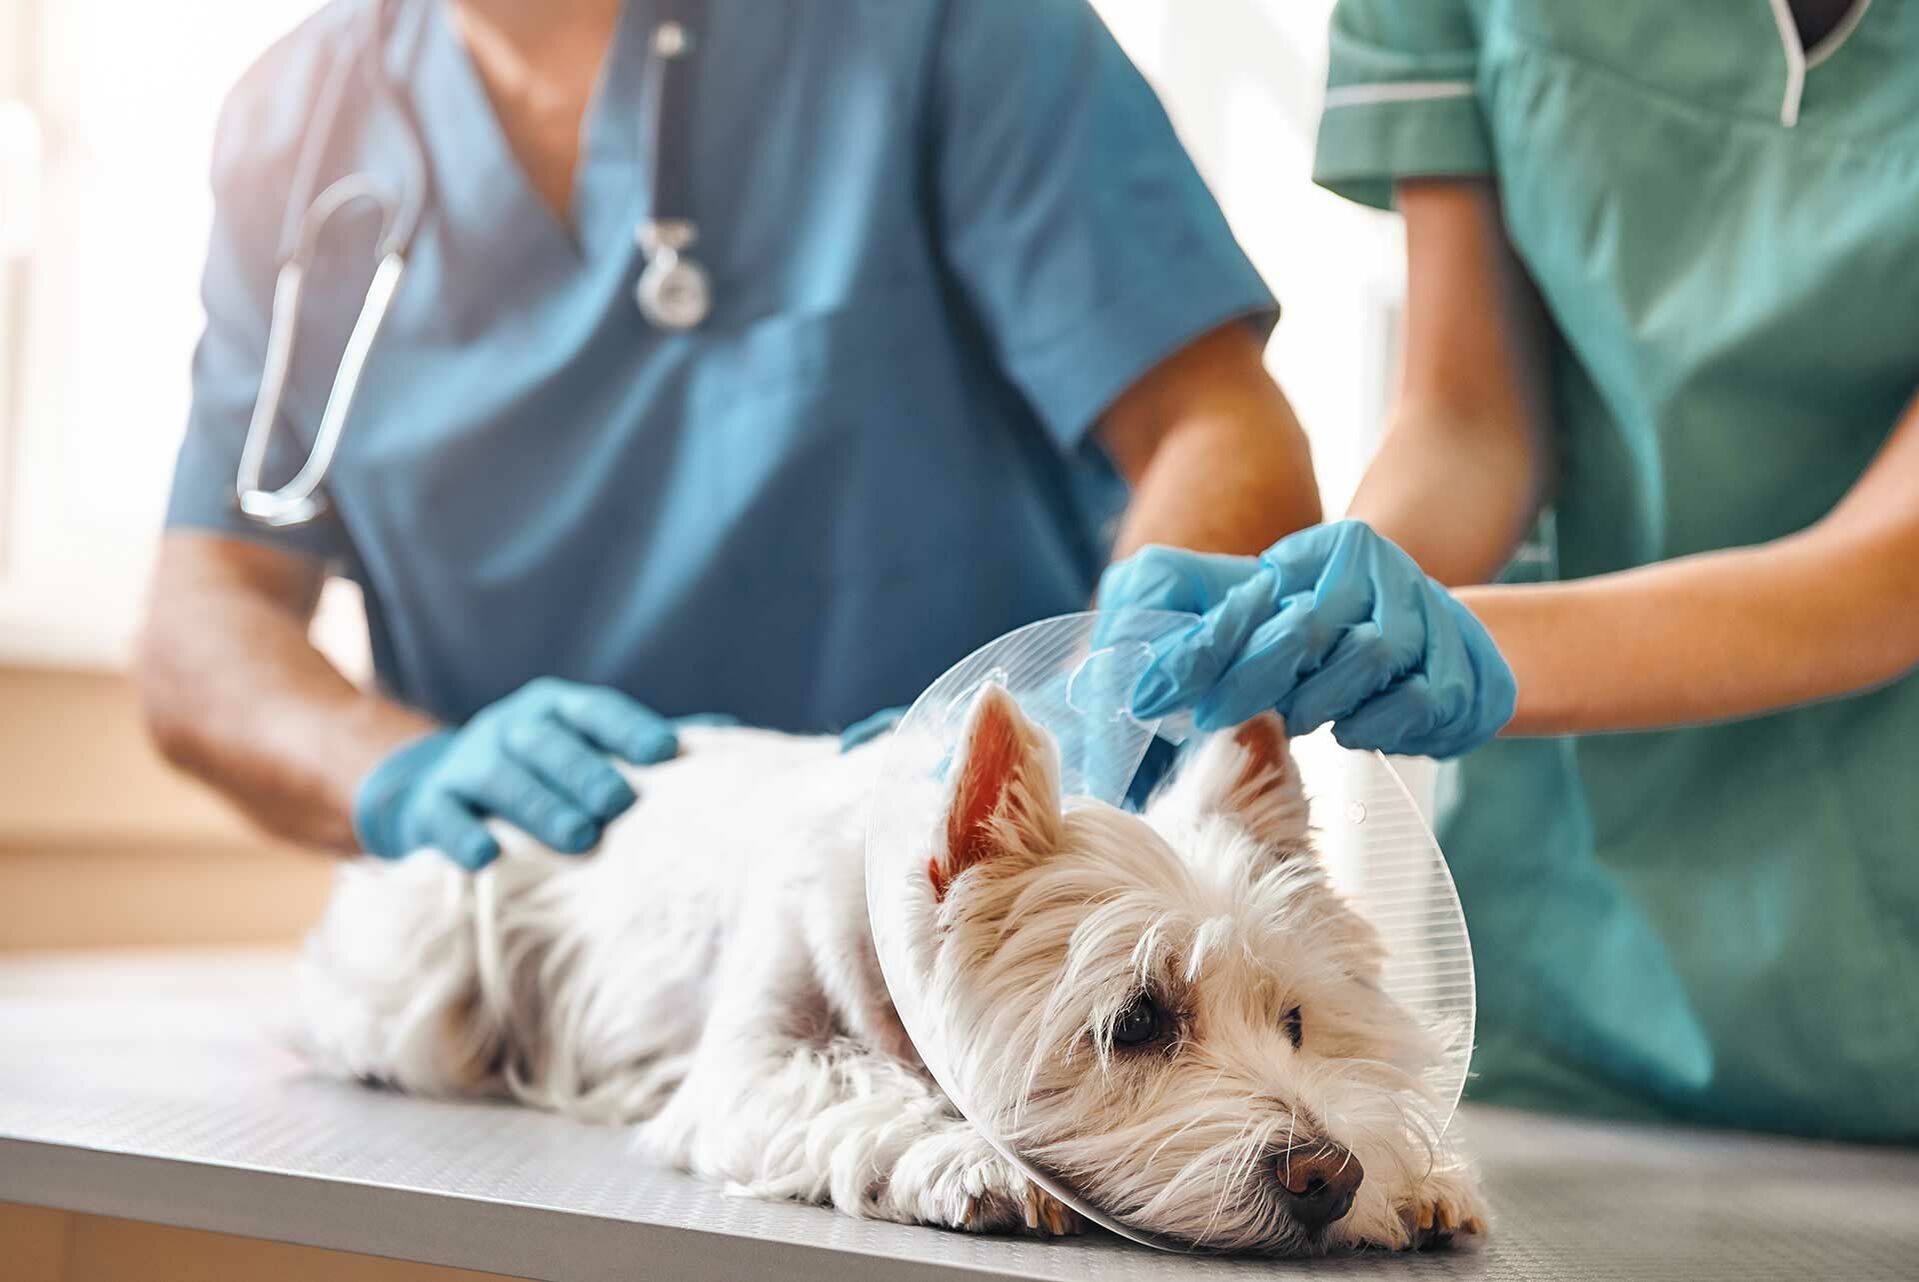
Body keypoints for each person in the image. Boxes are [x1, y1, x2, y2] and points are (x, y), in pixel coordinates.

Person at [141, 0, 1323, 873]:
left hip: (960, 907)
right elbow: (208, 614)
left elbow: (1214, 427)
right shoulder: (295, 128)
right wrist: (396, 775)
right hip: (549, 946)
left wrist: (1094, 721)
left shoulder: (940, 30)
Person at [1101, 0, 1919, 1141]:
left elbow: (1894, 566)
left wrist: (1472, 643)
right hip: (1566, 965)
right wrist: (1337, 590)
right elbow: (1469, 417)